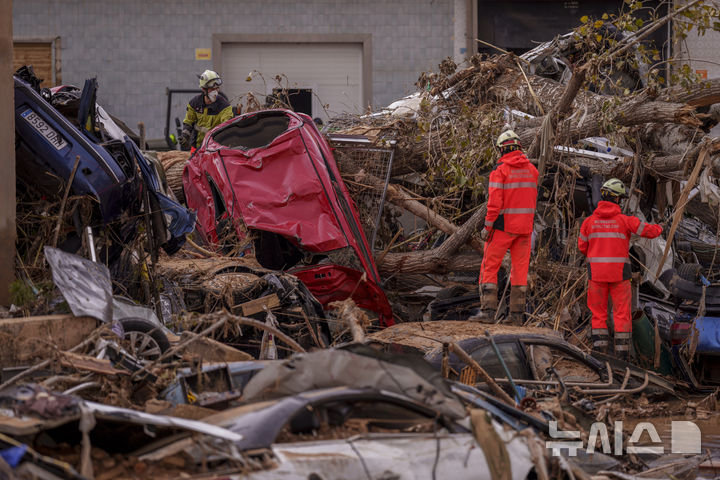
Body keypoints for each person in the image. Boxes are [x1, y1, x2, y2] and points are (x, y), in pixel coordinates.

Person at [578, 178, 662, 361]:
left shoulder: (588, 223)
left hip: (596, 275)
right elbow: (649, 231)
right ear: (617, 199)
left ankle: (599, 355)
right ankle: (622, 357)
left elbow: (582, 248)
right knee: (621, 314)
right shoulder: (625, 221)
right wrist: (661, 227)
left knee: (598, 314)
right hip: (620, 275)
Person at [472, 130, 538, 324]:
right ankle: (516, 316)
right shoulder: (533, 171)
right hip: (525, 229)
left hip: (502, 228)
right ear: (519, 148)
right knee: (519, 271)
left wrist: (487, 227)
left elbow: (494, 204)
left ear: (501, 149)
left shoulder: (499, 171)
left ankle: (488, 312)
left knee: (489, 268)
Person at [178, 70, 234, 151]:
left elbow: (227, 125)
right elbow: (188, 122)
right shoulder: (194, 103)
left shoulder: (224, 106)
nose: (215, 91)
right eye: (212, 89)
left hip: (215, 148)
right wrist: (185, 136)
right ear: (204, 89)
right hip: (197, 147)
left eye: (217, 88)